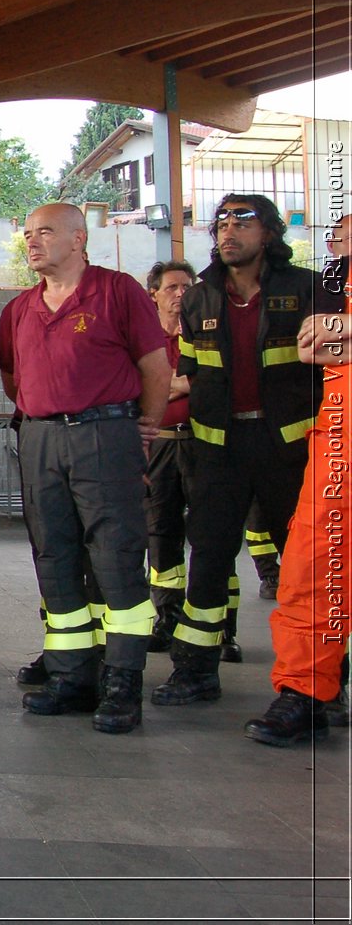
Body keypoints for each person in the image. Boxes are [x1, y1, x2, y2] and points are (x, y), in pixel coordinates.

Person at [0, 202, 170, 734]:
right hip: (41, 436)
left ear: (77, 238)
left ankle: (123, 682)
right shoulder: (20, 308)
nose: (33, 241)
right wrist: (41, 415)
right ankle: (72, 676)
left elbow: (156, 367)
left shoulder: (117, 291)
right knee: (54, 555)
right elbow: (12, 378)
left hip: (105, 434)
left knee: (115, 555)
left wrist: (144, 425)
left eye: (45, 232)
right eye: (28, 234)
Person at [156, 194, 332, 708]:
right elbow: (187, 372)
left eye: (243, 221)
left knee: (304, 566)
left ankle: (323, 680)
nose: (228, 230)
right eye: (221, 222)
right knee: (208, 558)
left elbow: (328, 370)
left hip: (290, 450)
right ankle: (194, 670)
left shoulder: (307, 288)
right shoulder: (199, 296)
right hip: (216, 450)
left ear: (271, 234)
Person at [245, 229, 350, 746]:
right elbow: (313, 346)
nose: (341, 247)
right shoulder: (335, 279)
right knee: (311, 568)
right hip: (338, 440)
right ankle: (306, 695)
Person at [142, 259, 196, 654]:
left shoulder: (206, 334)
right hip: (159, 444)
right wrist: (181, 384)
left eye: (187, 287)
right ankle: (168, 616)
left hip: (202, 443)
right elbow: (141, 388)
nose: (181, 294)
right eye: (173, 288)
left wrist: (169, 385)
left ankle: (222, 625)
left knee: (213, 532)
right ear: (154, 294)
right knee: (161, 533)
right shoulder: (145, 339)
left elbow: (213, 382)